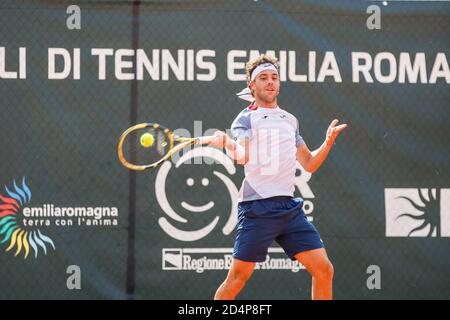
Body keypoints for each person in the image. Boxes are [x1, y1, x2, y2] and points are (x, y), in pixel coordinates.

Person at [208, 54, 347, 300]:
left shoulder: (290, 120)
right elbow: (243, 156)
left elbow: (309, 163)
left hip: (288, 209)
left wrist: (326, 143)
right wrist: (228, 143)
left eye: (274, 77)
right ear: (251, 85)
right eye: (263, 78)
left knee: (324, 269)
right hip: (257, 208)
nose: (270, 82)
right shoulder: (246, 117)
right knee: (237, 279)